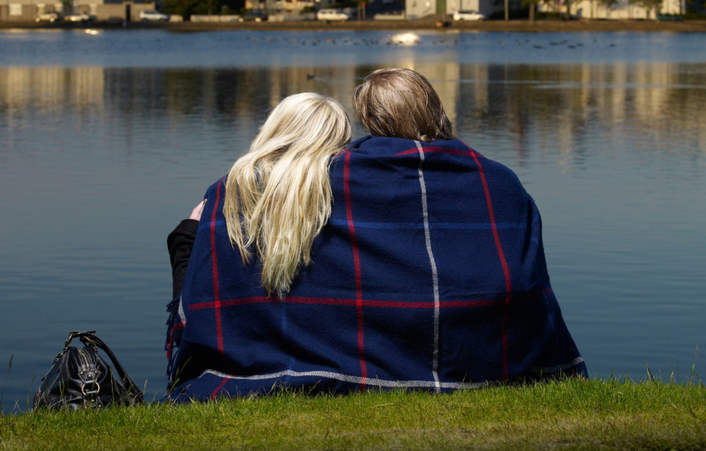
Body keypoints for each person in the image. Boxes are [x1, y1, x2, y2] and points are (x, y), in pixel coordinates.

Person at [166, 70, 586, 401]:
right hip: (492, 359)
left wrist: (188, 237)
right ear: (438, 111)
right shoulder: (500, 182)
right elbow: (531, 286)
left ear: (368, 120)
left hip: (329, 361)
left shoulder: (324, 179)